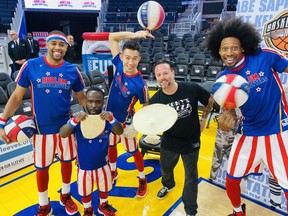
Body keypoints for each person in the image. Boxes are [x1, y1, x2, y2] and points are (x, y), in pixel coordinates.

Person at [204, 17, 288, 216]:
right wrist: (226, 124)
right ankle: (237, 212)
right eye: (225, 49)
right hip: (247, 133)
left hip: (277, 131)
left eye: (234, 47)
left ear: (242, 48)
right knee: (231, 179)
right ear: (219, 51)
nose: (229, 52)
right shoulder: (222, 79)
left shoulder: (264, 56)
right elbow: (229, 113)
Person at [0, 30, 86, 216]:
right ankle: (44, 205)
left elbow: (83, 99)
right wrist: (2, 121)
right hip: (40, 129)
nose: (57, 48)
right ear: (46, 45)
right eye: (54, 43)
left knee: (66, 163)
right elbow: (16, 96)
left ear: (66, 47)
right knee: (42, 168)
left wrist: (95, 118)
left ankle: (65, 195)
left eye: (61, 45)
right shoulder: (31, 66)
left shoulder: (72, 70)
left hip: (66, 127)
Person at [149, 60, 214, 216]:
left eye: (165, 73)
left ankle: (190, 210)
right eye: (159, 75)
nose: (162, 77)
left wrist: (204, 119)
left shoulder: (190, 88)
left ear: (173, 72)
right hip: (169, 141)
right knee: (166, 168)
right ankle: (168, 184)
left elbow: (209, 100)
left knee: (191, 176)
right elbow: (152, 119)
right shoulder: (156, 99)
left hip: (191, 141)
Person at [60, 87, 123, 216]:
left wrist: (112, 119)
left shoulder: (106, 119)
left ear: (103, 103)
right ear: (85, 102)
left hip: (103, 165)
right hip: (84, 166)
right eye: (90, 101)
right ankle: (88, 209)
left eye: (98, 101)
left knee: (104, 188)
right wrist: (74, 121)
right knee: (85, 191)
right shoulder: (79, 119)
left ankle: (103, 205)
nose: (94, 105)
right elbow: (63, 133)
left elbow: (119, 131)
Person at [107, 30, 154, 198]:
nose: (130, 62)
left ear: (139, 59)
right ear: (121, 57)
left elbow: (146, 107)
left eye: (134, 58)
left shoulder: (141, 84)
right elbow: (112, 37)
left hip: (126, 124)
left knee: (134, 151)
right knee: (111, 147)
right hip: (109, 119)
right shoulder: (118, 64)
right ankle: (113, 171)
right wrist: (135, 35)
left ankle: (142, 178)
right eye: (127, 57)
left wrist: (138, 124)